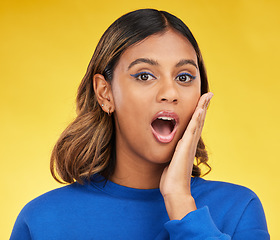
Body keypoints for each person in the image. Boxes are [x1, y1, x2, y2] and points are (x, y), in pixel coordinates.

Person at [10, 9, 269, 240]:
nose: (170, 92)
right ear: (105, 93)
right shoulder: (42, 221)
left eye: (184, 76)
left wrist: (181, 203)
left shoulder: (238, 209)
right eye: (145, 75)